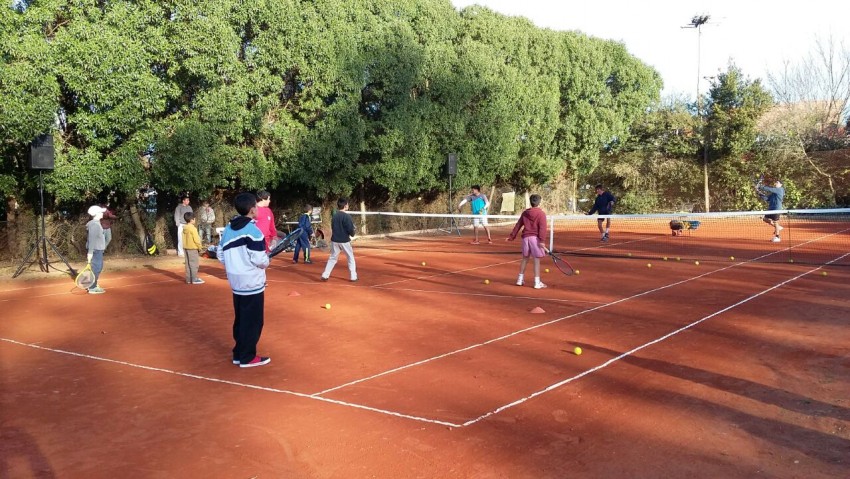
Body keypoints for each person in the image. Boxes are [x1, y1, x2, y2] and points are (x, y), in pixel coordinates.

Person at [217, 192, 271, 368]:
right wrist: (266, 261)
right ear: (252, 209)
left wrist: (233, 267)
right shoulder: (253, 231)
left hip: (236, 282)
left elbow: (220, 254)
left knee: (241, 319)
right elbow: (259, 260)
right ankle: (247, 357)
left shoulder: (227, 230)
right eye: (255, 206)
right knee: (253, 321)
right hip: (252, 283)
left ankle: (239, 354)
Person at [507, 194, 548, 289]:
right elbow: (543, 228)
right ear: (539, 202)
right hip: (535, 239)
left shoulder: (525, 213)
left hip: (525, 238)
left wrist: (512, 237)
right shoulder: (541, 214)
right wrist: (542, 240)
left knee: (525, 258)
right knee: (536, 260)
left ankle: (519, 280)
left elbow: (518, 225)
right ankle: (537, 283)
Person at [320, 198, 357, 282]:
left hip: (335, 240)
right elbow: (350, 229)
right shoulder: (347, 216)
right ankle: (353, 276)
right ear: (345, 205)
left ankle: (325, 275)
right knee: (350, 257)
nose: (348, 206)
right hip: (344, 240)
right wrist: (353, 233)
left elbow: (333, 227)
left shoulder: (335, 216)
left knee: (332, 258)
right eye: (347, 204)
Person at [86, 205, 107, 294]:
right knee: (96, 268)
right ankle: (92, 287)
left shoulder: (96, 223)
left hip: (98, 250)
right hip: (95, 250)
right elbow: (92, 239)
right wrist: (90, 253)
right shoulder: (94, 225)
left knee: (97, 267)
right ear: (97, 214)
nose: (102, 213)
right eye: (101, 212)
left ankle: (93, 284)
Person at [181, 212, 204, 284]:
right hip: (193, 248)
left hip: (186, 248)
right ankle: (194, 279)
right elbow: (196, 239)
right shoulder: (193, 229)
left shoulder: (184, 228)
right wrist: (200, 247)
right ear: (191, 220)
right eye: (194, 218)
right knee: (194, 264)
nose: (195, 220)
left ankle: (188, 279)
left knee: (188, 264)